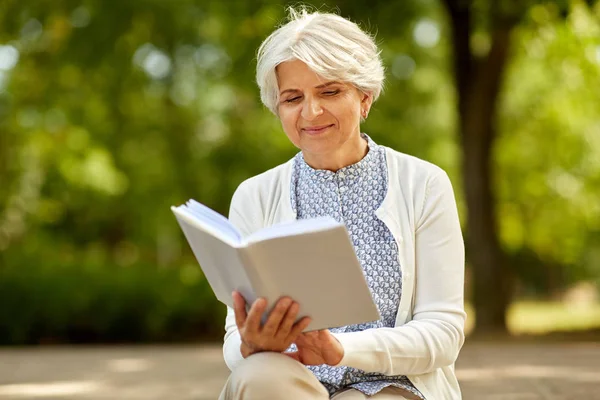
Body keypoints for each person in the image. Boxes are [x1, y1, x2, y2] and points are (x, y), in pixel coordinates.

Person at [218, 7, 466, 400]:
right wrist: (250, 346)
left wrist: (342, 350)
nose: (311, 112)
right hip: (296, 383)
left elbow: (443, 332)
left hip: (395, 386)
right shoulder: (254, 195)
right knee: (256, 376)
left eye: (329, 91)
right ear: (277, 107)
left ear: (364, 97)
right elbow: (235, 339)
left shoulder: (424, 184)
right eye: (292, 98)